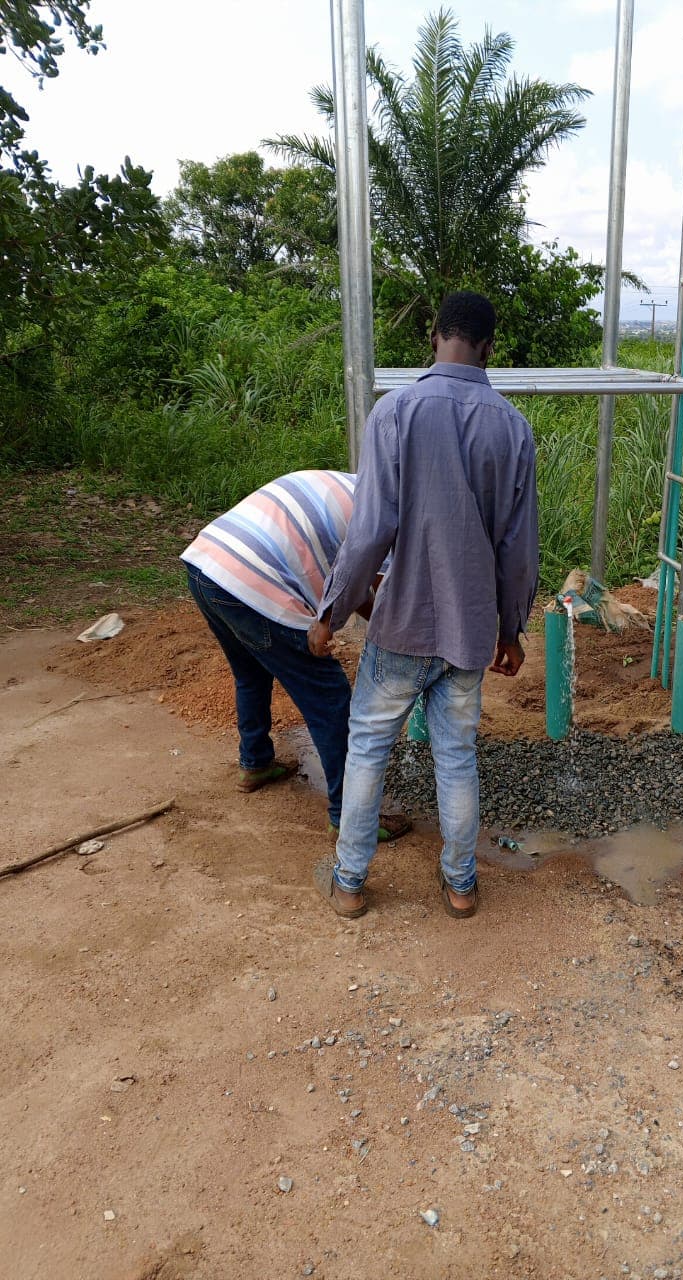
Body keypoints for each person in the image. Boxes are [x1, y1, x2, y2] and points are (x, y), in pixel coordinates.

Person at [308, 291, 539, 919]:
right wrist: (512, 630)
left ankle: (351, 882)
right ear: (489, 348)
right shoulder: (512, 427)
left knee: (367, 751)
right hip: (469, 634)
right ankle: (461, 886)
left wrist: (332, 612)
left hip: (402, 627)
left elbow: (370, 530)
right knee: (457, 757)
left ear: (433, 336)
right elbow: (518, 549)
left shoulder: (395, 412)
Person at [181, 470, 410, 840]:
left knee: (251, 672)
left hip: (207, 563)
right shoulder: (390, 515)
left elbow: (361, 589)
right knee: (330, 698)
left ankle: (255, 763)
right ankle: (350, 817)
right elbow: (379, 591)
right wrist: (401, 638)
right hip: (254, 582)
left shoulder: (350, 485)